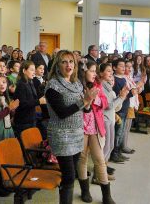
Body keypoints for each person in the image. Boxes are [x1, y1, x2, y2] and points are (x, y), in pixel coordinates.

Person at [45, 50, 98, 204]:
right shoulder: (53, 86)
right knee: (68, 176)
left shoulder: (76, 84)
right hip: (62, 135)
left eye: (71, 62)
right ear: (57, 66)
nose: (68, 65)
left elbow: (84, 108)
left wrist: (88, 102)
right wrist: (84, 101)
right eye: (64, 62)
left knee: (72, 174)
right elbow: (61, 112)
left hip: (77, 133)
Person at [77, 61, 116, 204]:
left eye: (95, 71)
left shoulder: (98, 85)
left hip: (95, 127)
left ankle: (106, 194)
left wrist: (96, 99)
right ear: (84, 71)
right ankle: (85, 191)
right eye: (92, 71)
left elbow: (105, 103)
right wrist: (86, 98)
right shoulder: (77, 86)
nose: (94, 74)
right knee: (82, 159)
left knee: (99, 159)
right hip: (81, 127)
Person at [0, 76, 19, 197]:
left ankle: (3, 184)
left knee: (4, 159)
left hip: (7, 130)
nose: (2, 84)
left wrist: (12, 110)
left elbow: (8, 114)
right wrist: (9, 108)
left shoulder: (6, 97)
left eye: (4, 82)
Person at [100, 63, 126, 179]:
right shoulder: (101, 86)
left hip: (110, 118)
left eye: (111, 71)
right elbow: (108, 106)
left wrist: (121, 96)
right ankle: (99, 173)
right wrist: (120, 98)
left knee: (110, 146)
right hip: (105, 119)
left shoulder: (109, 87)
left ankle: (103, 170)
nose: (111, 74)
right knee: (105, 147)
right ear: (101, 73)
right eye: (108, 71)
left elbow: (116, 107)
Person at [13, 61, 46, 136]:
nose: (34, 72)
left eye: (34, 70)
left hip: (31, 119)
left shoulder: (30, 82)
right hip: (23, 121)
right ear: (24, 71)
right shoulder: (21, 84)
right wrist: (39, 101)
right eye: (31, 70)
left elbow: (33, 98)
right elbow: (22, 104)